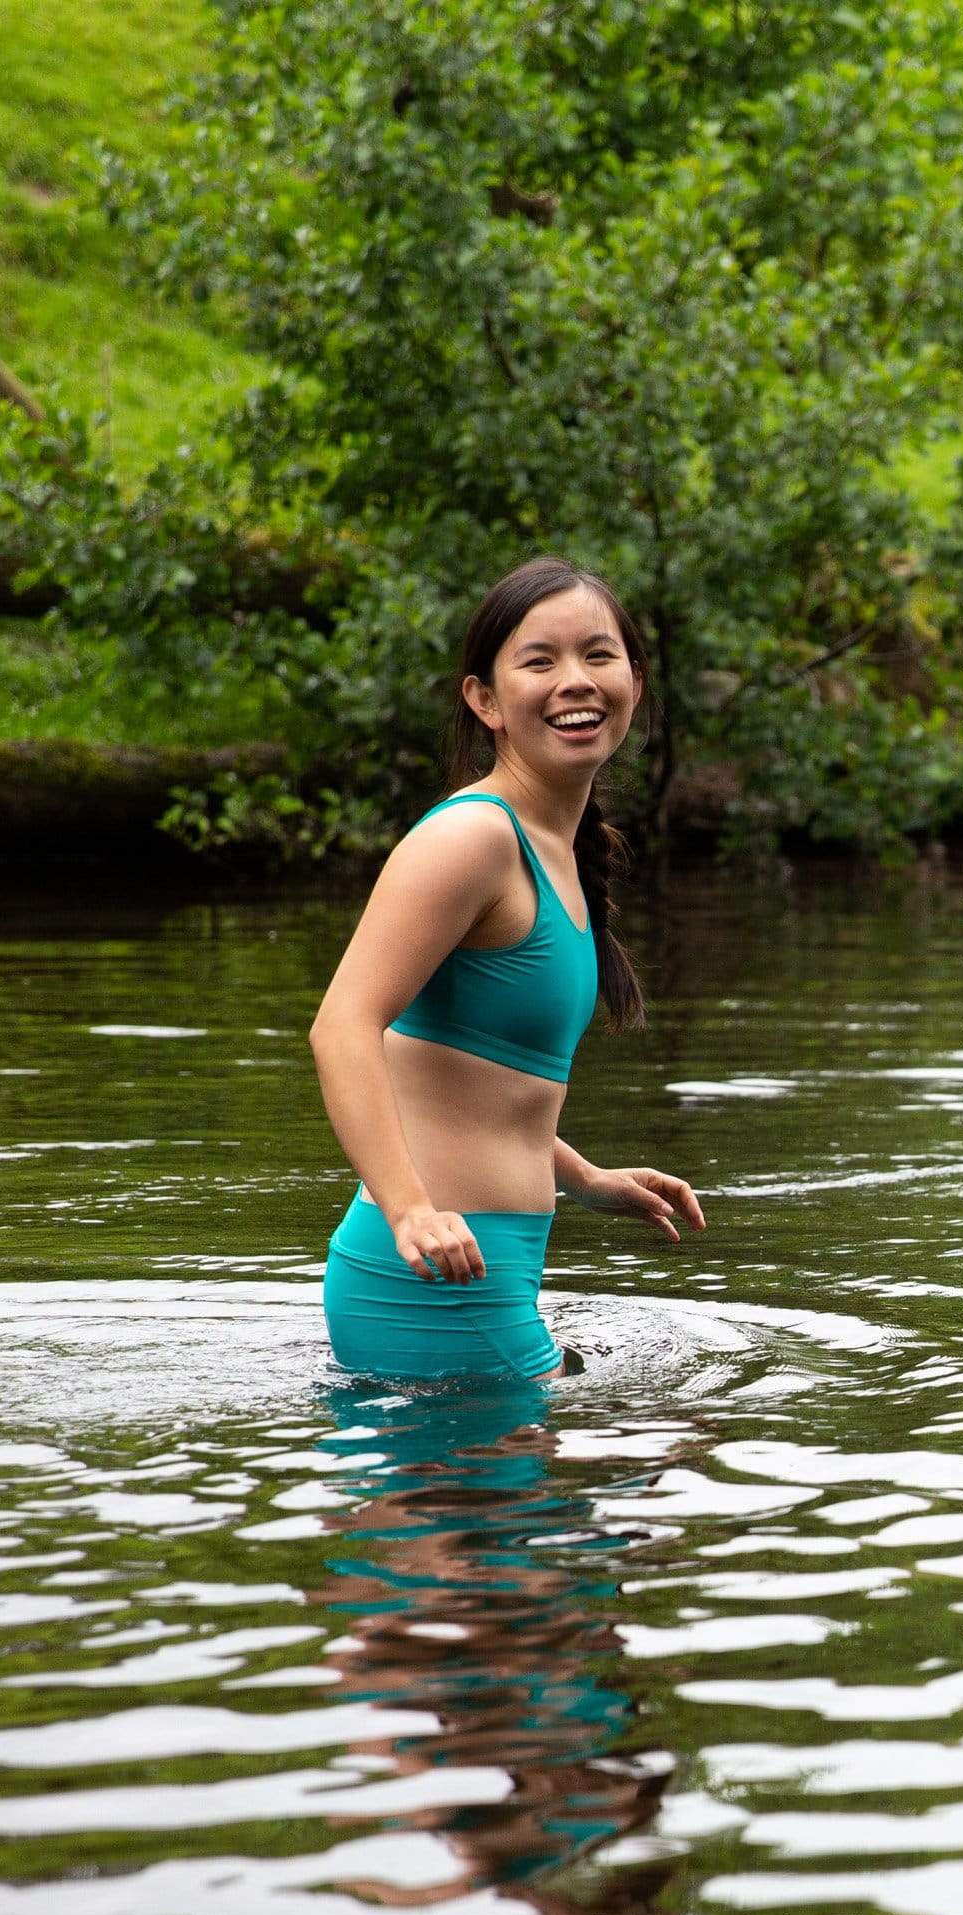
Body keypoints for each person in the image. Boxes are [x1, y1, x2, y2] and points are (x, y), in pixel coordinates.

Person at [310, 557, 704, 1381]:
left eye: (599, 656)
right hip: (433, 1275)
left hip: (483, 1271)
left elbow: (473, 1085)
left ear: (635, 678)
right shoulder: (473, 838)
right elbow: (343, 1026)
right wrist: (410, 1208)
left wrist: (585, 1178)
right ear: (484, 699)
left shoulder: (558, 847)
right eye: (539, 660)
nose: (576, 681)